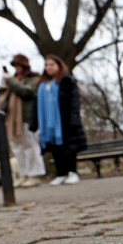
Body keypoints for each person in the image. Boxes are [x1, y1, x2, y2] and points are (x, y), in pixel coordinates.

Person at [31, 54, 87, 186]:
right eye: (46, 65)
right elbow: (37, 106)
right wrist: (34, 124)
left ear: (58, 66)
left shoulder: (67, 81)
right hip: (48, 123)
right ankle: (61, 173)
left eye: (51, 64)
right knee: (55, 149)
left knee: (69, 147)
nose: (48, 67)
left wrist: (74, 118)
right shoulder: (41, 85)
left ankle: (72, 172)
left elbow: (74, 101)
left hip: (64, 121)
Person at [0, 54, 45, 188]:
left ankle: (35, 174)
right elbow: (5, 97)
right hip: (12, 119)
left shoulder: (34, 78)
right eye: (15, 66)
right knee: (17, 148)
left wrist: (11, 81)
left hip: (26, 117)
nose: (17, 69)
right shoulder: (14, 79)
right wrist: (3, 84)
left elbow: (26, 92)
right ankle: (24, 174)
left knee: (30, 145)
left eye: (18, 65)